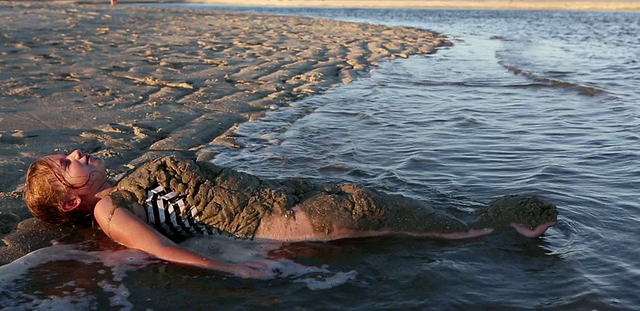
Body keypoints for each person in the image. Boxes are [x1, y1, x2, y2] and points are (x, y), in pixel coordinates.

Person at [24, 150, 558, 278]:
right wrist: (232, 268)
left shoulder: (123, 185)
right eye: (66, 164)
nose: (77, 155)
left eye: (71, 153)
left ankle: (491, 226)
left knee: (411, 213)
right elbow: (161, 248)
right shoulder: (112, 210)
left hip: (290, 195)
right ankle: (510, 229)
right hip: (284, 219)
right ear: (72, 201)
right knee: (422, 223)